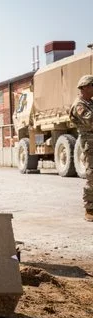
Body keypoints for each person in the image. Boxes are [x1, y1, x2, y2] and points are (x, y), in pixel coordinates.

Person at [69, 74, 93, 222]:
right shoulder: (80, 105)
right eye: (92, 85)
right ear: (84, 87)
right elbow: (90, 120)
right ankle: (89, 209)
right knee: (92, 176)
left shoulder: (89, 102)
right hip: (90, 144)